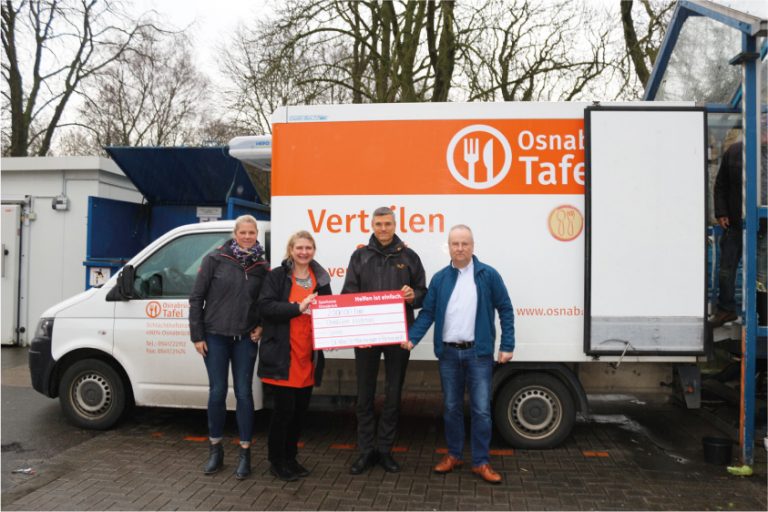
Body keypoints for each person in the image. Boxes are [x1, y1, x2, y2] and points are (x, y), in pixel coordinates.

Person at [403, 224, 514, 484]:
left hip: (479, 354)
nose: (460, 248)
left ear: (473, 246)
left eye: (465, 243)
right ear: (449, 247)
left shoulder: (488, 275)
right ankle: (453, 455)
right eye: (455, 243)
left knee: (481, 411)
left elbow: (505, 309)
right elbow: (428, 313)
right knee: (451, 408)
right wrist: (412, 337)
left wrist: (507, 345)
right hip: (449, 355)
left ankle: (481, 462)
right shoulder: (440, 278)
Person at [342, 206, 427, 474]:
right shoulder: (359, 256)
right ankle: (366, 452)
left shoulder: (410, 256)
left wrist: (413, 296)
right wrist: (356, 332)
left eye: (387, 224)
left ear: (394, 224)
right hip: (366, 338)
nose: (383, 228)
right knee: (364, 395)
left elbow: (424, 292)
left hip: (398, 336)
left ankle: (386, 451)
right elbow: (348, 295)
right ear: (372, 225)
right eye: (378, 224)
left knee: (392, 395)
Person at [189, 215, 268, 480]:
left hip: (245, 339)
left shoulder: (261, 266)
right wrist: (197, 336)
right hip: (215, 337)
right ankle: (215, 450)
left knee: (244, 394)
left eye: (251, 232)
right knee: (217, 392)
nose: (247, 236)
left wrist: (262, 325)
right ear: (235, 233)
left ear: (257, 233)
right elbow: (196, 298)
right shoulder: (215, 259)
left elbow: (264, 302)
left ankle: (245, 454)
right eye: (243, 232)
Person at [258, 231, 332, 482]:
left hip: (307, 356)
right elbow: (266, 307)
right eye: (299, 247)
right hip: (283, 355)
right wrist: (297, 308)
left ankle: (290, 458)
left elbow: (330, 312)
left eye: (308, 248)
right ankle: (276, 461)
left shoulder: (320, 279)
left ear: (314, 250)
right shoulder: (277, 277)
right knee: (283, 413)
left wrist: (332, 336)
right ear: (291, 250)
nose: (304, 252)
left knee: (300, 413)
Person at [711, 117, 768, 327]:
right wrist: (722, 213)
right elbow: (721, 185)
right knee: (727, 267)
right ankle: (726, 310)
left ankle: (764, 317)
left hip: (765, 223)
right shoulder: (735, 151)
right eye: (760, 129)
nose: (763, 134)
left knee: (763, 271)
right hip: (736, 222)